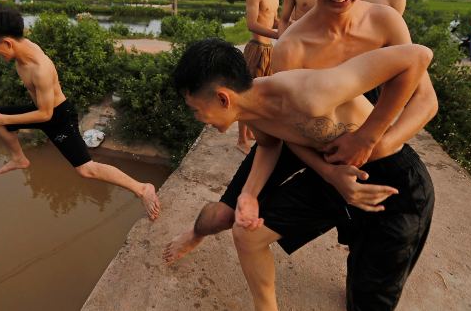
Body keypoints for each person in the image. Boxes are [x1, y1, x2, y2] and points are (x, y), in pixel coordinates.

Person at [163, 0, 438, 267]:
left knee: (375, 223)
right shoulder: (292, 47)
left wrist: (373, 142)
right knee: (222, 216)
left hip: (355, 128)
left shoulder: (386, 18)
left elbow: (425, 100)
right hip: (304, 128)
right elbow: (287, 128)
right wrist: (328, 172)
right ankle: (195, 233)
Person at [174, 38, 434, 311]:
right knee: (248, 234)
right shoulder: (248, 108)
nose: (198, 118)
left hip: (394, 183)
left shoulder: (310, 93)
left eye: (196, 110)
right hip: (332, 173)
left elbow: (417, 56)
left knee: (368, 296)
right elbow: (269, 143)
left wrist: (367, 138)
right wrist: (249, 194)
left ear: (222, 98)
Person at [0, 8, 160, 220]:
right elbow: (2, 30)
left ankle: (142, 188)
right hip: (41, 109)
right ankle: (19, 158)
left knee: (86, 170)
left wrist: (4, 118)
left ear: (7, 43)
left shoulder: (40, 69)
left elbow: (45, 115)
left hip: (57, 116)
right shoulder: (22, 44)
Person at [237, 0, 287, 154]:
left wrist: (287, 25)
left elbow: (273, 20)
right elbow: (252, 24)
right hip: (256, 48)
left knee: (262, 94)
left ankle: (250, 132)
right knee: (247, 93)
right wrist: (278, 34)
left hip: (270, 50)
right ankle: (241, 139)